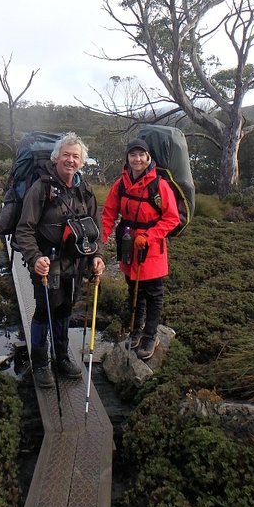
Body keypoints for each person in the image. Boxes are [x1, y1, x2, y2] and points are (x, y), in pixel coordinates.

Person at [15, 132, 105, 389]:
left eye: (75, 156)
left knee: (66, 308)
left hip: (75, 265)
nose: (70, 159)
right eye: (65, 154)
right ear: (56, 158)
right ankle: (41, 361)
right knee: (45, 310)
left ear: (81, 161)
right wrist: (34, 258)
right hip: (47, 263)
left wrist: (97, 257)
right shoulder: (41, 188)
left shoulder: (85, 190)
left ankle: (62, 356)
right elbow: (24, 229)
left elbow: (95, 229)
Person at [102, 138, 180, 360]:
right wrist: (102, 238)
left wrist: (149, 235)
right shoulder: (121, 184)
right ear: (127, 158)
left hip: (151, 246)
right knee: (133, 288)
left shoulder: (159, 185)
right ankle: (136, 329)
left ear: (148, 158)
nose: (137, 159)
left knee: (153, 292)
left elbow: (171, 219)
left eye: (141, 155)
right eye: (133, 155)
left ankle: (150, 335)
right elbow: (109, 213)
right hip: (128, 242)